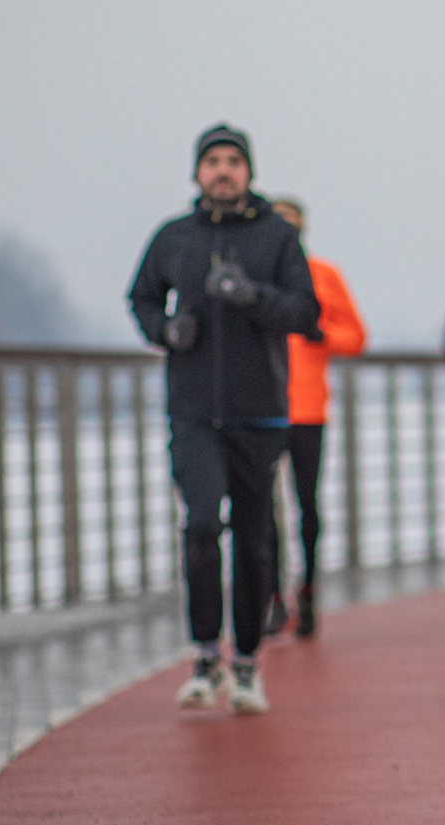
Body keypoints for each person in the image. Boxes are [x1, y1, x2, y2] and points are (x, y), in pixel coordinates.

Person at [127, 125, 320, 715]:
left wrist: (249, 297)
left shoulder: (276, 236)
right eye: (212, 161)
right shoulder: (173, 238)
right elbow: (141, 297)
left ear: (249, 171)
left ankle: (246, 664)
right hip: (192, 414)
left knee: (255, 542)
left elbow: (305, 312)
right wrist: (165, 330)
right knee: (203, 526)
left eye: (233, 161)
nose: (223, 170)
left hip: (260, 413)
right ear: (197, 173)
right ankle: (206, 653)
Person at [266, 197, 367, 638]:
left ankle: (307, 587)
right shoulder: (254, 279)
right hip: (262, 406)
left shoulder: (323, 276)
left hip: (307, 409)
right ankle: (271, 596)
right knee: (262, 509)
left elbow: (356, 336)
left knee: (306, 505)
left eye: (293, 225)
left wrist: (320, 334)